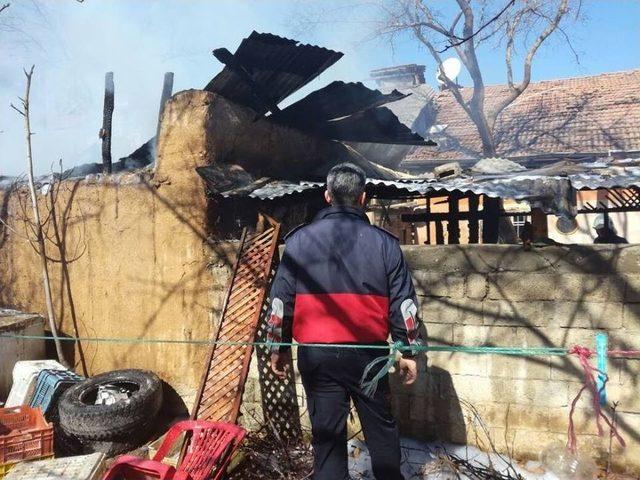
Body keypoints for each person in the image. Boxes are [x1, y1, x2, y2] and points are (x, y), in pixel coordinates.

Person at [266, 162, 425, 480]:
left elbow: (280, 303)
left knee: (327, 442)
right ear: (363, 197)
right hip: (369, 358)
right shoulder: (385, 244)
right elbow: (404, 305)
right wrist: (408, 352)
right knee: (381, 434)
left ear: (327, 196)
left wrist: (277, 346)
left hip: (318, 357)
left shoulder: (297, 242)